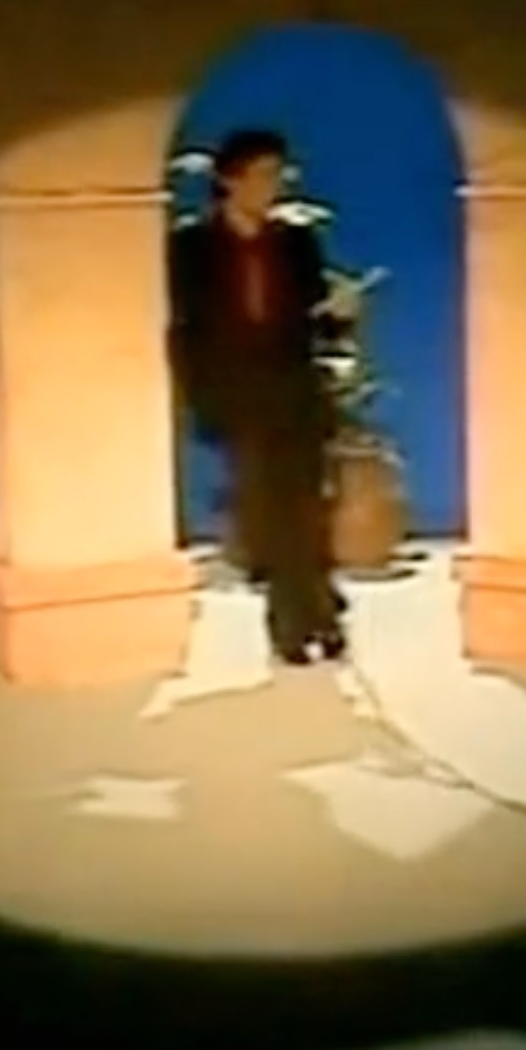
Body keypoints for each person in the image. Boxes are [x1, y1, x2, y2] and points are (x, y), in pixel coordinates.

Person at [166, 127, 356, 665]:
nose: (275, 185)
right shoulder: (191, 247)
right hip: (238, 397)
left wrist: (340, 320)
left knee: (307, 508)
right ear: (230, 179)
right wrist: (198, 395)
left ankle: (313, 613)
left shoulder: (296, 243)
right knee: (269, 514)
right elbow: (184, 328)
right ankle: (297, 621)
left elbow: (318, 321)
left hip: (296, 391)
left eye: (279, 174)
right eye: (264, 174)